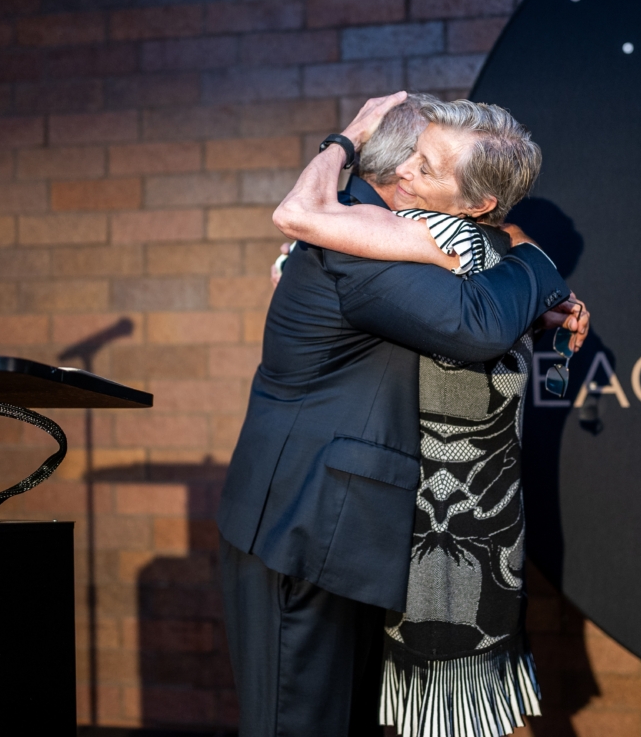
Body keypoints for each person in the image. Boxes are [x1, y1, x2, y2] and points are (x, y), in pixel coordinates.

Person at [216, 91, 580, 737]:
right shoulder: (362, 238)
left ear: (476, 205)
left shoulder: (396, 233)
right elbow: (478, 324)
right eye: (414, 154)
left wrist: (532, 298)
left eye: (428, 165)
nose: (409, 170)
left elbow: (456, 306)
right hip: (304, 530)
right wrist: (534, 261)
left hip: (345, 533)